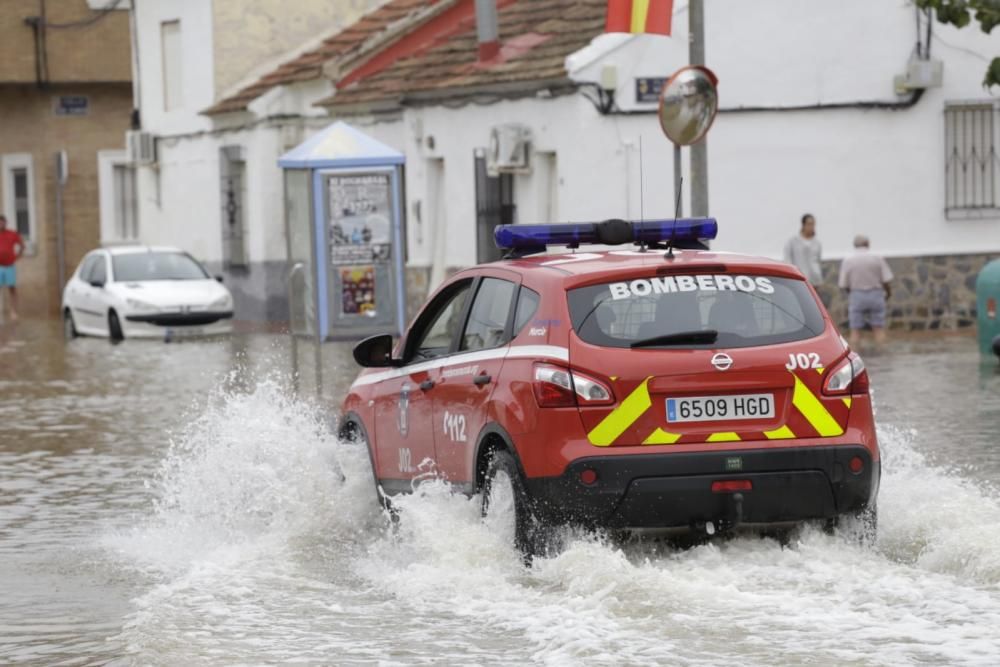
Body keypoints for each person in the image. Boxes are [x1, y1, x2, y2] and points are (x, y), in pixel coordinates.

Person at [839, 235, 893, 345]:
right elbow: (886, 280)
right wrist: (888, 293)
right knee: (878, 329)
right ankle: (882, 354)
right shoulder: (877, 258)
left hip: (857, 295)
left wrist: (852, 294)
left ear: (855, 245)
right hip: (876, 295)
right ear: (868, 243)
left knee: (855, 331)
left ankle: (855, 356)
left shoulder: (848, 260)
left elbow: (844, 284)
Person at [783, 213, 823, 285]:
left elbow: (818, 260)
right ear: (803, 225)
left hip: (814, 280)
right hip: (798, 278)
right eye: (809, 224)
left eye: (813, 224)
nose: (811, 227)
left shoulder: (817, 243)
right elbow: (787, 259)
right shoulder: (793, 241)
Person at [0, 215, 25, 321]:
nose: (1, 224)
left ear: (6, 223)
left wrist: (17, 257)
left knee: (12, 289)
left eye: (2, 222)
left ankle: (13, 311)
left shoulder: (12, 234)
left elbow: (22, 246)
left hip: (10, 265)